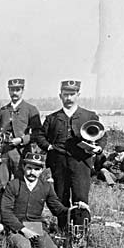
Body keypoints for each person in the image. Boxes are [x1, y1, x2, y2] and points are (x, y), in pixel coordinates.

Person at [34, 80, 106, 231]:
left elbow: (102, 135)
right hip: (58, 163)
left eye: (72, 94)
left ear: (78, 95)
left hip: (81, 163)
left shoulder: (89, 115)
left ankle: (79, 234)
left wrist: (98, 148)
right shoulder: (52, 118)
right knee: (61, 197)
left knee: (80, 198)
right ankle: (63, 232)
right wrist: (49, 146)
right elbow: (40, 136)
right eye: (66, 94)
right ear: (60, 95)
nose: (69, 98)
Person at [0, 153, 90, 248]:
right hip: (15, 226)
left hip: (34, 226)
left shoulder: (46, 187)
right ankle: (9, 239)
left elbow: (58, 210)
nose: (32, 172)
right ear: (24, 167)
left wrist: (76, 209)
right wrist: (23, 229)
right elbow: (5, 211)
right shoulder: (13, 185)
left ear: (42, 170)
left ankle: (35, 244)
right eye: (29, 168)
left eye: (36, 169)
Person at [0, 79, 41, 185]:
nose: (15, 93)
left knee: (21, 183)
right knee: (2, 184)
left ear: (22, 90)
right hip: (3, 152)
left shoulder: (30, 109)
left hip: (21, 152)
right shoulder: (3, 110)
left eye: (18, 90)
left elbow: (38, 133)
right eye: (12, 90)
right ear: (8, 91)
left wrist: (22, 140)